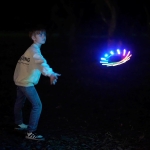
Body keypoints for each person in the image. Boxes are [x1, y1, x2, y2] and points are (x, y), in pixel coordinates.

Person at [13, 27, 61, 141]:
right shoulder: (34, 51)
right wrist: (51, 74)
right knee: (37, 105)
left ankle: (18, 124)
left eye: (44, 34)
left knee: (20, 101)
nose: (43, 36)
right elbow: (41, 63)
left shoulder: (30, 50)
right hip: (26, 83)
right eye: (40, 35)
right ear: (33, 37)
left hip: (19, 80)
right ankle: (31, 132)